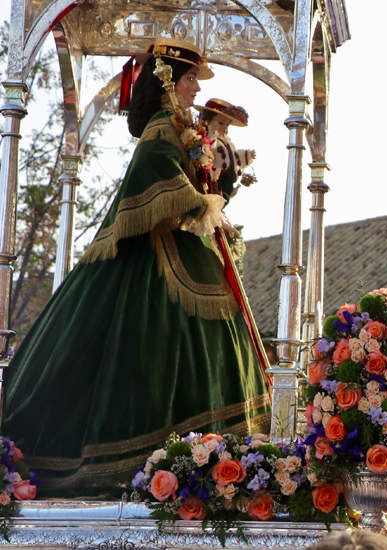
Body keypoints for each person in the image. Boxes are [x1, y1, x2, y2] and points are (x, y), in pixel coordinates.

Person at [1, 38, 269, 496]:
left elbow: (195, 178)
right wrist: (201, 199)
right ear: (167, 79)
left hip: (186, 246)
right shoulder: (163, 126)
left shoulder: (182, 127)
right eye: (188, 80)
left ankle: (209, 461)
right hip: (156, 255)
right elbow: (156, 174)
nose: (192, 90)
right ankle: (173, 460)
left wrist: (219, 179)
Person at [198, 98, 256, 203]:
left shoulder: (226, 143)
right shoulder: (202, 142)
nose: (225, 128)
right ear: (207, 121)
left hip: (223, 196)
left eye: (227, 125)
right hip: (208, 197)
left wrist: (246, 160)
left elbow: (232, 161)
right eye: (221, 123)